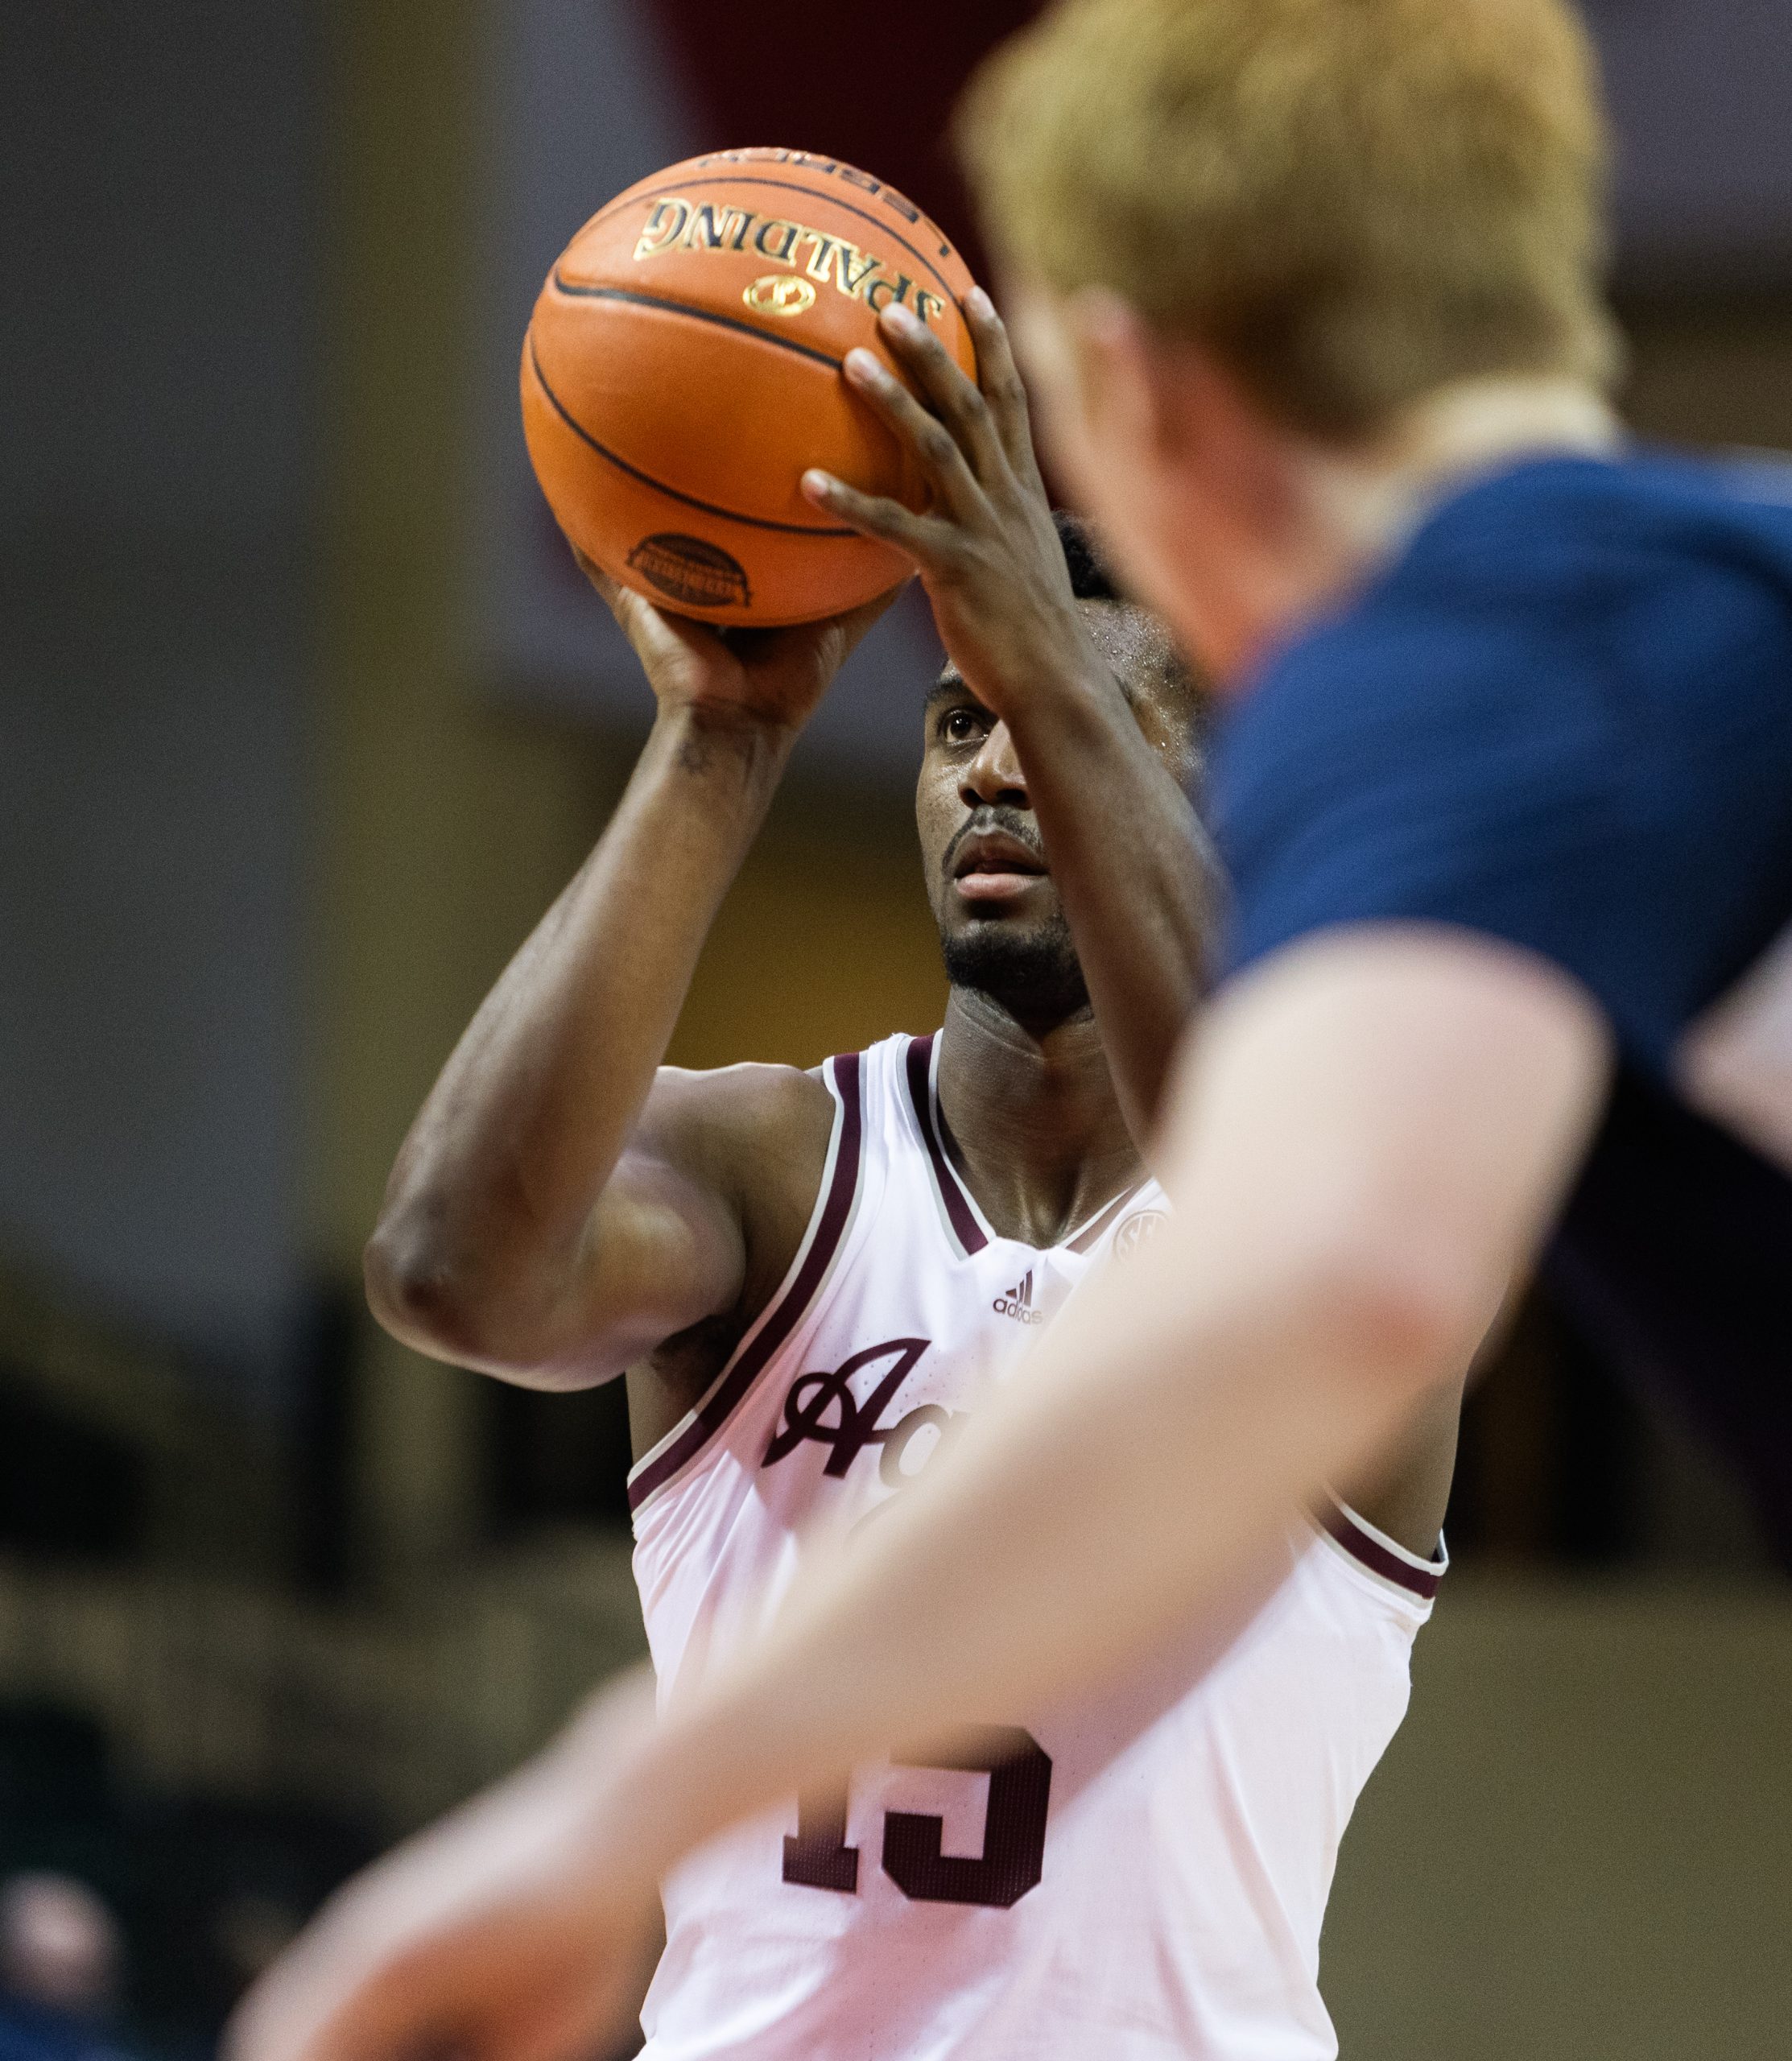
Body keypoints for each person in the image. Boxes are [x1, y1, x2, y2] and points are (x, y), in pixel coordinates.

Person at [230, 290, 1460, 2061]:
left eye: (1066, 716)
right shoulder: (772, 1167)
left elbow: (1275, 1175)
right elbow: (448, 1272)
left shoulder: (1364, 1197)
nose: (993, 764)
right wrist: (716, 744)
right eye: (958, 722)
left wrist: (1038, 645)